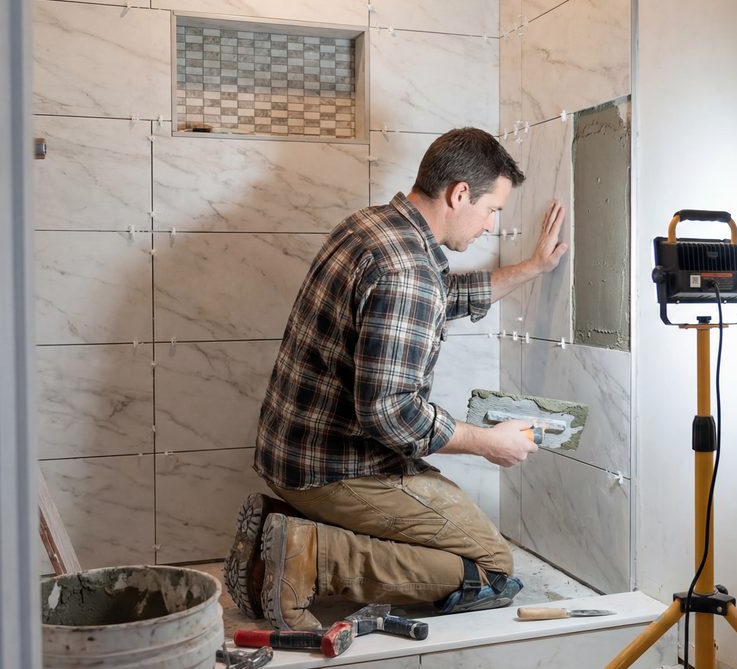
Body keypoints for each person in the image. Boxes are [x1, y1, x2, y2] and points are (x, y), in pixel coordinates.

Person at [224, 127, 568, 631]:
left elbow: (440, 294)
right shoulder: (408, 269)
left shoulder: (373, 228)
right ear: (459, 194)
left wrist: (531, 268)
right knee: (493, 569)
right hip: (337, 470)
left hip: (292, 458)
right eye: (493, 209)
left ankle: (275, 538)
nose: (492, 226)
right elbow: (392, 412)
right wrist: (487, 443)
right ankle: (314, 555)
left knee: (448, 531)